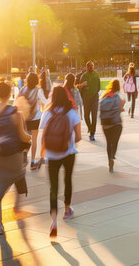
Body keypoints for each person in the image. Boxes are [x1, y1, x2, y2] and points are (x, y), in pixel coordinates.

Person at [0, 80, 31, 236]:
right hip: (13, 157)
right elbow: (22, 136)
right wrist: (30, 139)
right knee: (19, 174)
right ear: (10, 94)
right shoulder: (16, 113)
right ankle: (17, 206)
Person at [39, 86, 81, 238]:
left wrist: (41, 155)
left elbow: (43, 136)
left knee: (53, 188)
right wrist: (68, 142)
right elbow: (79, 136)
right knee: (67, 180)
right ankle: (67, 210)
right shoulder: (71, 112)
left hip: (52, 154)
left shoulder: (48, 112)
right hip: (68, 152)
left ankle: (54, 221)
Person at [18, 73, 46, 170]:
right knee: (34, 141)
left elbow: (17, 101)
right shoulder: (38, 90)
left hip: (24, 119)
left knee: (26, 140)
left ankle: (24, 155)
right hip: (35, 119)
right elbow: (45, 102)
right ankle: (33, 162)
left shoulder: (23, 90)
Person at [99, 80, 125, 171]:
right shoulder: (118, 96)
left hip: (105, 124)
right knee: (115, 141)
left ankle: (109, 158)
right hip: (116, 123)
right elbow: (122, 105)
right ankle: (113, 155)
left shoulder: (105, 95)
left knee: (108, 142)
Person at [78, 62, 101, 141]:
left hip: (95, 98)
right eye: (89, 66)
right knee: (86, 115)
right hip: (86, 99)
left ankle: (92, 133)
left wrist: (95, 93)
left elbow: (98, 86)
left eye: (92, 66)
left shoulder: (96, 75)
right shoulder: (84, 76)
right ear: (87, 67)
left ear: (94, 66)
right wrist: (82, 98)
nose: (91, 67)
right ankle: (89, 127)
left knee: (94, 116)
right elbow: (80, 89)